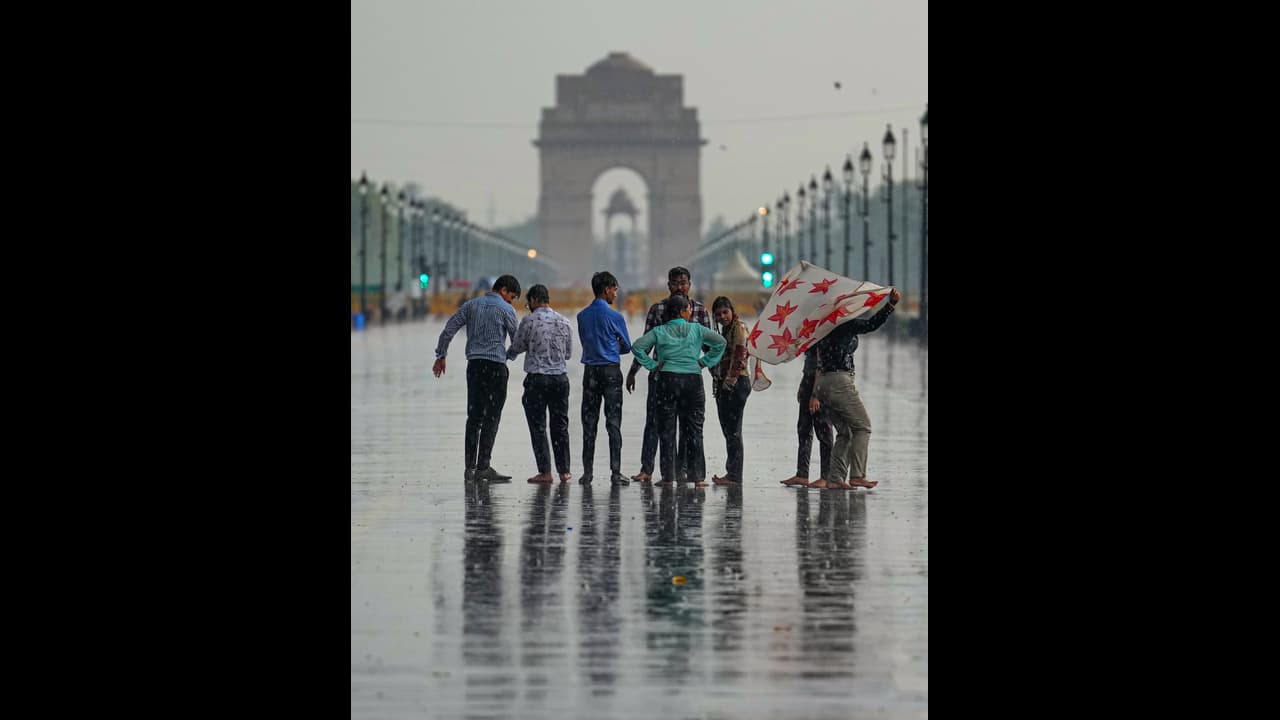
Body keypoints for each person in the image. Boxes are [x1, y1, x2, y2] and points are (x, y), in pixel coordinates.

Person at [808, 288, 901, 490]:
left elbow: (817, 360)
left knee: (846, 432)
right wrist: (890, 305)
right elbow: (871, 325)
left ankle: (835, 478)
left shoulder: (825, 326)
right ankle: (858, 475)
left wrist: (815, 393)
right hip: (838, 381)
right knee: (863, 427)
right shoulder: (845, 323)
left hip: (824, 382)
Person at [432, 274, 522, 483]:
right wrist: (509, 355)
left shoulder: (471, 305)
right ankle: (484, 466)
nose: (512, 301)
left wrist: (441, 355)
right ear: (504, 291)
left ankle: (469, 467)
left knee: (474, 418)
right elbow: (517, 340)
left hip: (474, 368)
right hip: (496, 369)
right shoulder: (507, 309)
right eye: (512, 296)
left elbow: (450, 328)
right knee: (492, 417)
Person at [626, 267, 712, 483]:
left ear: (690, 285)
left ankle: (679, 469)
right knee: (654, 422)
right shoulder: (658, 309)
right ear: (669, 285)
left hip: (688, 376)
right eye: (675, 283)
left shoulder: (700, 311)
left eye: (684, 283)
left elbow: (710, 346)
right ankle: (647, 469)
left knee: (686, 425)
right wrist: (635, 370)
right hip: (661, 375)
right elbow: (645, 343)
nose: (680, 287)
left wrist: (710, 369)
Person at [507, 284, 574, 485]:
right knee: (560, 425)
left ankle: (545, 472)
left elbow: (517, 347)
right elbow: (568, 353)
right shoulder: (565, 321)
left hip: (537, 379)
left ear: (534, 300)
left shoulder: (529, 321)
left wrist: (507, 356)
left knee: (538, 426)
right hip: (560, 379)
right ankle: (564, 471)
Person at [576, 271, 633, 486]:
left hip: (590, 371)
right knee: (613, 422)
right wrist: (612, 346)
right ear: (607, 289)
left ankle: (587, 472)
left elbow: (586, 341)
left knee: (589, 423)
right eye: (615, 290)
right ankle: (615, 471)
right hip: (610, 371)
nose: (616, 294)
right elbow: (627, 346)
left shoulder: (582, 316)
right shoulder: (615, 317)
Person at [709, 296, 751, 486]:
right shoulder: (725, 330)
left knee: (733, 431)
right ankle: (732, 472)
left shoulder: (739, 328)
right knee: (729, 430)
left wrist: (730, 381)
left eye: (725, 312)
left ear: (732, 311)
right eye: (718, 314)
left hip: (736, 383)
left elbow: (740, 354)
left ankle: (734, 475)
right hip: (725, 384)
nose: (722, 317)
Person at [779, 348, 835, 487]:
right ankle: (802, 474)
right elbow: (810, 364)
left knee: (824, 432)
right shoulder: (812, 336)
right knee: (804, 429)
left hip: (819, 386)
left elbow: (822, 366)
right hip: (808, 381)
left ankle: (826, 476)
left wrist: (816, 394)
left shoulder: (822, 334)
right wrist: (803, 386)